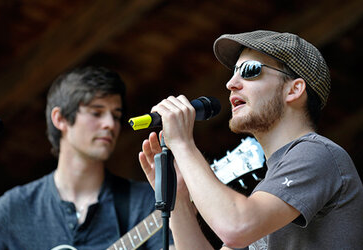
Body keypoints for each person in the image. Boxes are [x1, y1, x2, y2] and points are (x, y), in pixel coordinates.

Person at [138, 30, 363, 249]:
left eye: (249, 70)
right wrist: (177, 197)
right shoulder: (266, 193)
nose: (231, 83)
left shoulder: (317, 153)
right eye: (233, 72)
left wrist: (183, 144)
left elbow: (237, 227)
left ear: (293, 90)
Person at [0, 66, 172, 249]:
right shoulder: (13, 209)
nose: (110, 124)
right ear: (60, 118)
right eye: (96, 112)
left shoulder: (148, 202)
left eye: (116, 116)